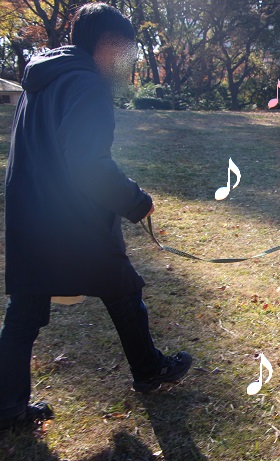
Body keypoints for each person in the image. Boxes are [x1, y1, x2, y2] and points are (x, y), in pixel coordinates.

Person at [0, 3, 192, 432]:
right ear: (106, 44)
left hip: (32, 210)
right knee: (122, 287)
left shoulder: (43, 77)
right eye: (126, 50)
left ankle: (7, 405)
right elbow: (88, 164)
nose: (130, 60)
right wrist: (135, 200)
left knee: (26, 310)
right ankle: (149, 369)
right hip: (71, 216)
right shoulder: (85, 84)